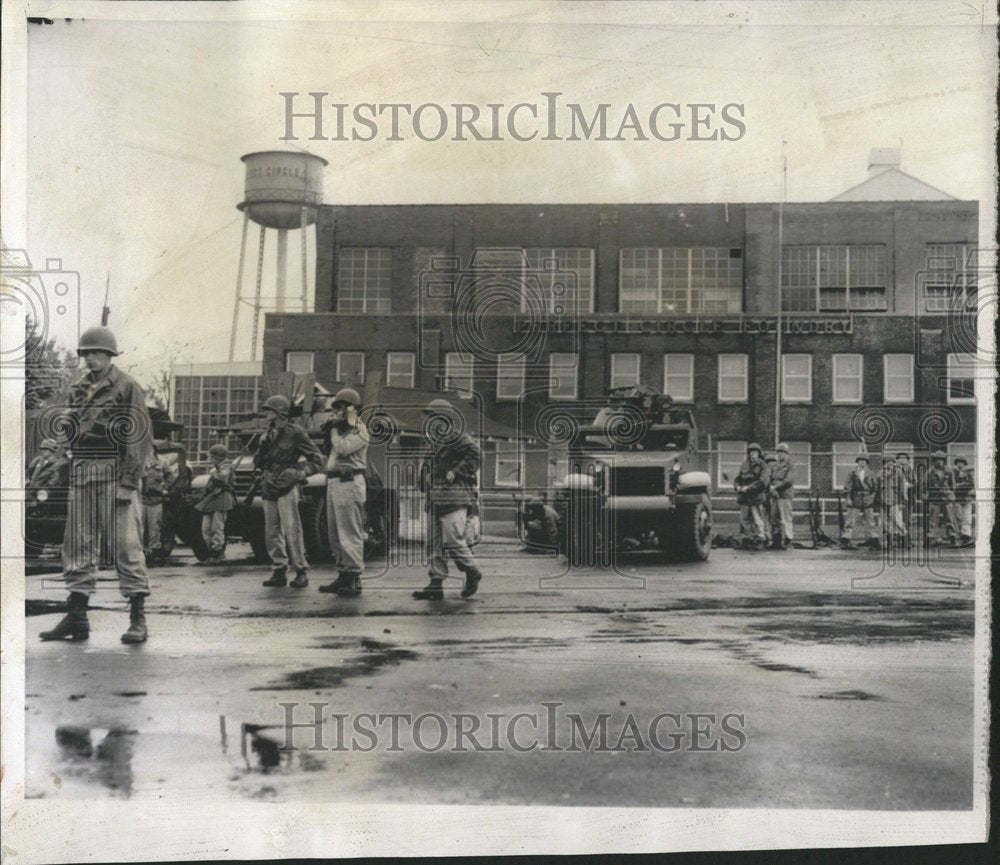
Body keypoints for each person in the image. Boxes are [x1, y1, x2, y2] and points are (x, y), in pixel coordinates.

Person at [39, 326, 153, 644]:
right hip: (82, 475)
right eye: (86, 353)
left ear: (110, 354)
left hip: (115, 475)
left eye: (96, 353)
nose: (90, 358)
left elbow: (138, 437)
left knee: (126, 548)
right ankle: (77, 617)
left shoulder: (127, 387)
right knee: (77, 548)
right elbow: (67, 430)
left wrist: (129, 483)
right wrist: (57, 466)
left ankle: (137, 619)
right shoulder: (78, 388)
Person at [413, 398, 484, 600]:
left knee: (453, 540)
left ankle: (472, 571)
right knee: (433, 543)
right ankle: (436, 583)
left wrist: (457, 471)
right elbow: (428, 469)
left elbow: (476, 453)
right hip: (435, 499)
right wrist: (424, 482)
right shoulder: (434, 442)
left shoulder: (456, 438)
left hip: (453, 497)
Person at [254, 394, 324, 588]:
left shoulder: (295, 432)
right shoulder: (267, 434)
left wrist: (301, 474)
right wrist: (261, 445)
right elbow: (258, 462)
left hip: (287, 484)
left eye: (269, 410)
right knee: (271, 530)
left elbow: (318, 459)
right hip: (269, 484)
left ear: (279, 413)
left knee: (292, 528)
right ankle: (279, 569)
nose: (266, 413)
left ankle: (301, 570)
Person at [318, 388, 370, 597]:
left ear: (354, 408)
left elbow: (343, 449)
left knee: (349, 532)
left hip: (349, 482)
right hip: (334, 481)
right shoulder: (338, 429)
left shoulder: (360, 429)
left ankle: (354, 575)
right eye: (336, 407)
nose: (337, 411)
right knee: (335, 533)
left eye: (342, 407)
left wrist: (332, 431)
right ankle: (343, 572)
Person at [195, 443, 235, 563]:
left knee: (217, 527)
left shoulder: (227, 468)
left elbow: (222, 479)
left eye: (212, 457)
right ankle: (211, 551)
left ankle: (218, 553)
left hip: (222, 498)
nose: (210, 459)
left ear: (218, 458)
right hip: (212, 498)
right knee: (205, 528)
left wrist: (214, 473)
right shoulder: (215, 469)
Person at [734, 442, 769, 550]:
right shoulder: (744, 465)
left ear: (759, 453)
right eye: (751, 452)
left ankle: (760, 539)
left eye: (755, 452)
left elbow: (763, 482)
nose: (753, 454)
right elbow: (737, 478)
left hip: (756, 497)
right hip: (744, 497)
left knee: (758, 519)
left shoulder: (763, 465)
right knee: (744, 519)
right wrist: (737, 487)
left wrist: (748, 488)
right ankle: (746, 539)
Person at [841, 454, 879, 549]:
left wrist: (872, 497)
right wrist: (848, 498)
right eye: (860, 461)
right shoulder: (852, 473)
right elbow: (847, 487)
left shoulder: (871, 473)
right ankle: (846, 540)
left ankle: (873, 540)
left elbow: (875, 487)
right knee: (850, 521)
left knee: (870, 521)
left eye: (864, 461)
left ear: (867, 463)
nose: (862, 462)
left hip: (867, 499)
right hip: (855, 498)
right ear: (857, 462)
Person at [140, 446, 168, 564]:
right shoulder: (140, 461)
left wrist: (165, 488)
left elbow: (170, 477)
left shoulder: (162, 462)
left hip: (156, 499)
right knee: (140, 528)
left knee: (154, 528)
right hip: (141, 499)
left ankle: (153, 556)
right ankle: (142, 554)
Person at [925, 451, 956, 547]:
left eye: (941, 460)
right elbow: (924, 484)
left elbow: (952, 485)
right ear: (934, 461)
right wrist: (927, 494)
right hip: (934, 497)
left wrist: (948, 492)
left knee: (950, 518)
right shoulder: (929, 472)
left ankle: (952, 537)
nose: (939, 462)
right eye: (937, 460)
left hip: (947, 498)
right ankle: (931, 538)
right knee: (932, 519)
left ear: (944, 461)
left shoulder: (949, 471)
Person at [768, 443, 796, 550]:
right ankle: (776, 542)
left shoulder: (790, 466)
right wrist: (772, 489)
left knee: (786, 519)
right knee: (774, 519)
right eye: (778, 452)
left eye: (782, 452)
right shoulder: (775, 466)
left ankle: (788, 540)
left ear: (787, 454)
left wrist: (775, 487)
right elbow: (771, 479)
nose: (780, 454)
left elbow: (788, 481)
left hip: (784, 495)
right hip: (775, 496)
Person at [877, 453, 908, 549]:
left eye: (891, 462)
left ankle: (906, 540)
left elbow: (903, 488)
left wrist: (902, 501)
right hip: (883, 502)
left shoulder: (898, 472)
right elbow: (877, 488)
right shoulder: (880, 473)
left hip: (895, 501)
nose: (889, 464)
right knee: (884, 523)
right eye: (886, 462)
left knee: (897, 521)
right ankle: (889, 543)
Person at [949, 456, 974, 547]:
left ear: (964, 464)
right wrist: (959, 486)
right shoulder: (952, 473)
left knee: (967, 518)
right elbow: (952, 486)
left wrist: (959, 486)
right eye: (958, 462)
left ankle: (966, 536)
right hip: (957, 499)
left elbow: (971, 484)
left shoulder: (968, 473)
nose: (960, 464)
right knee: (958, 517)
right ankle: (958, 536)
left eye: (962, 462)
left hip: (966, 498)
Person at [895, 452, 916, 538]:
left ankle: (907, 537)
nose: (902, 460)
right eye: (900, 458)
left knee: (907, 519)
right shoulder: (894, 469)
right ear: (897, 460)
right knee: (898, 518)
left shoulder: (910, 470)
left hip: (909, 496)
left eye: (905, 458)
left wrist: (909, 484)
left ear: (907, 460)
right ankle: (898, 537)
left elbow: (915, 482)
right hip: (897, 497)